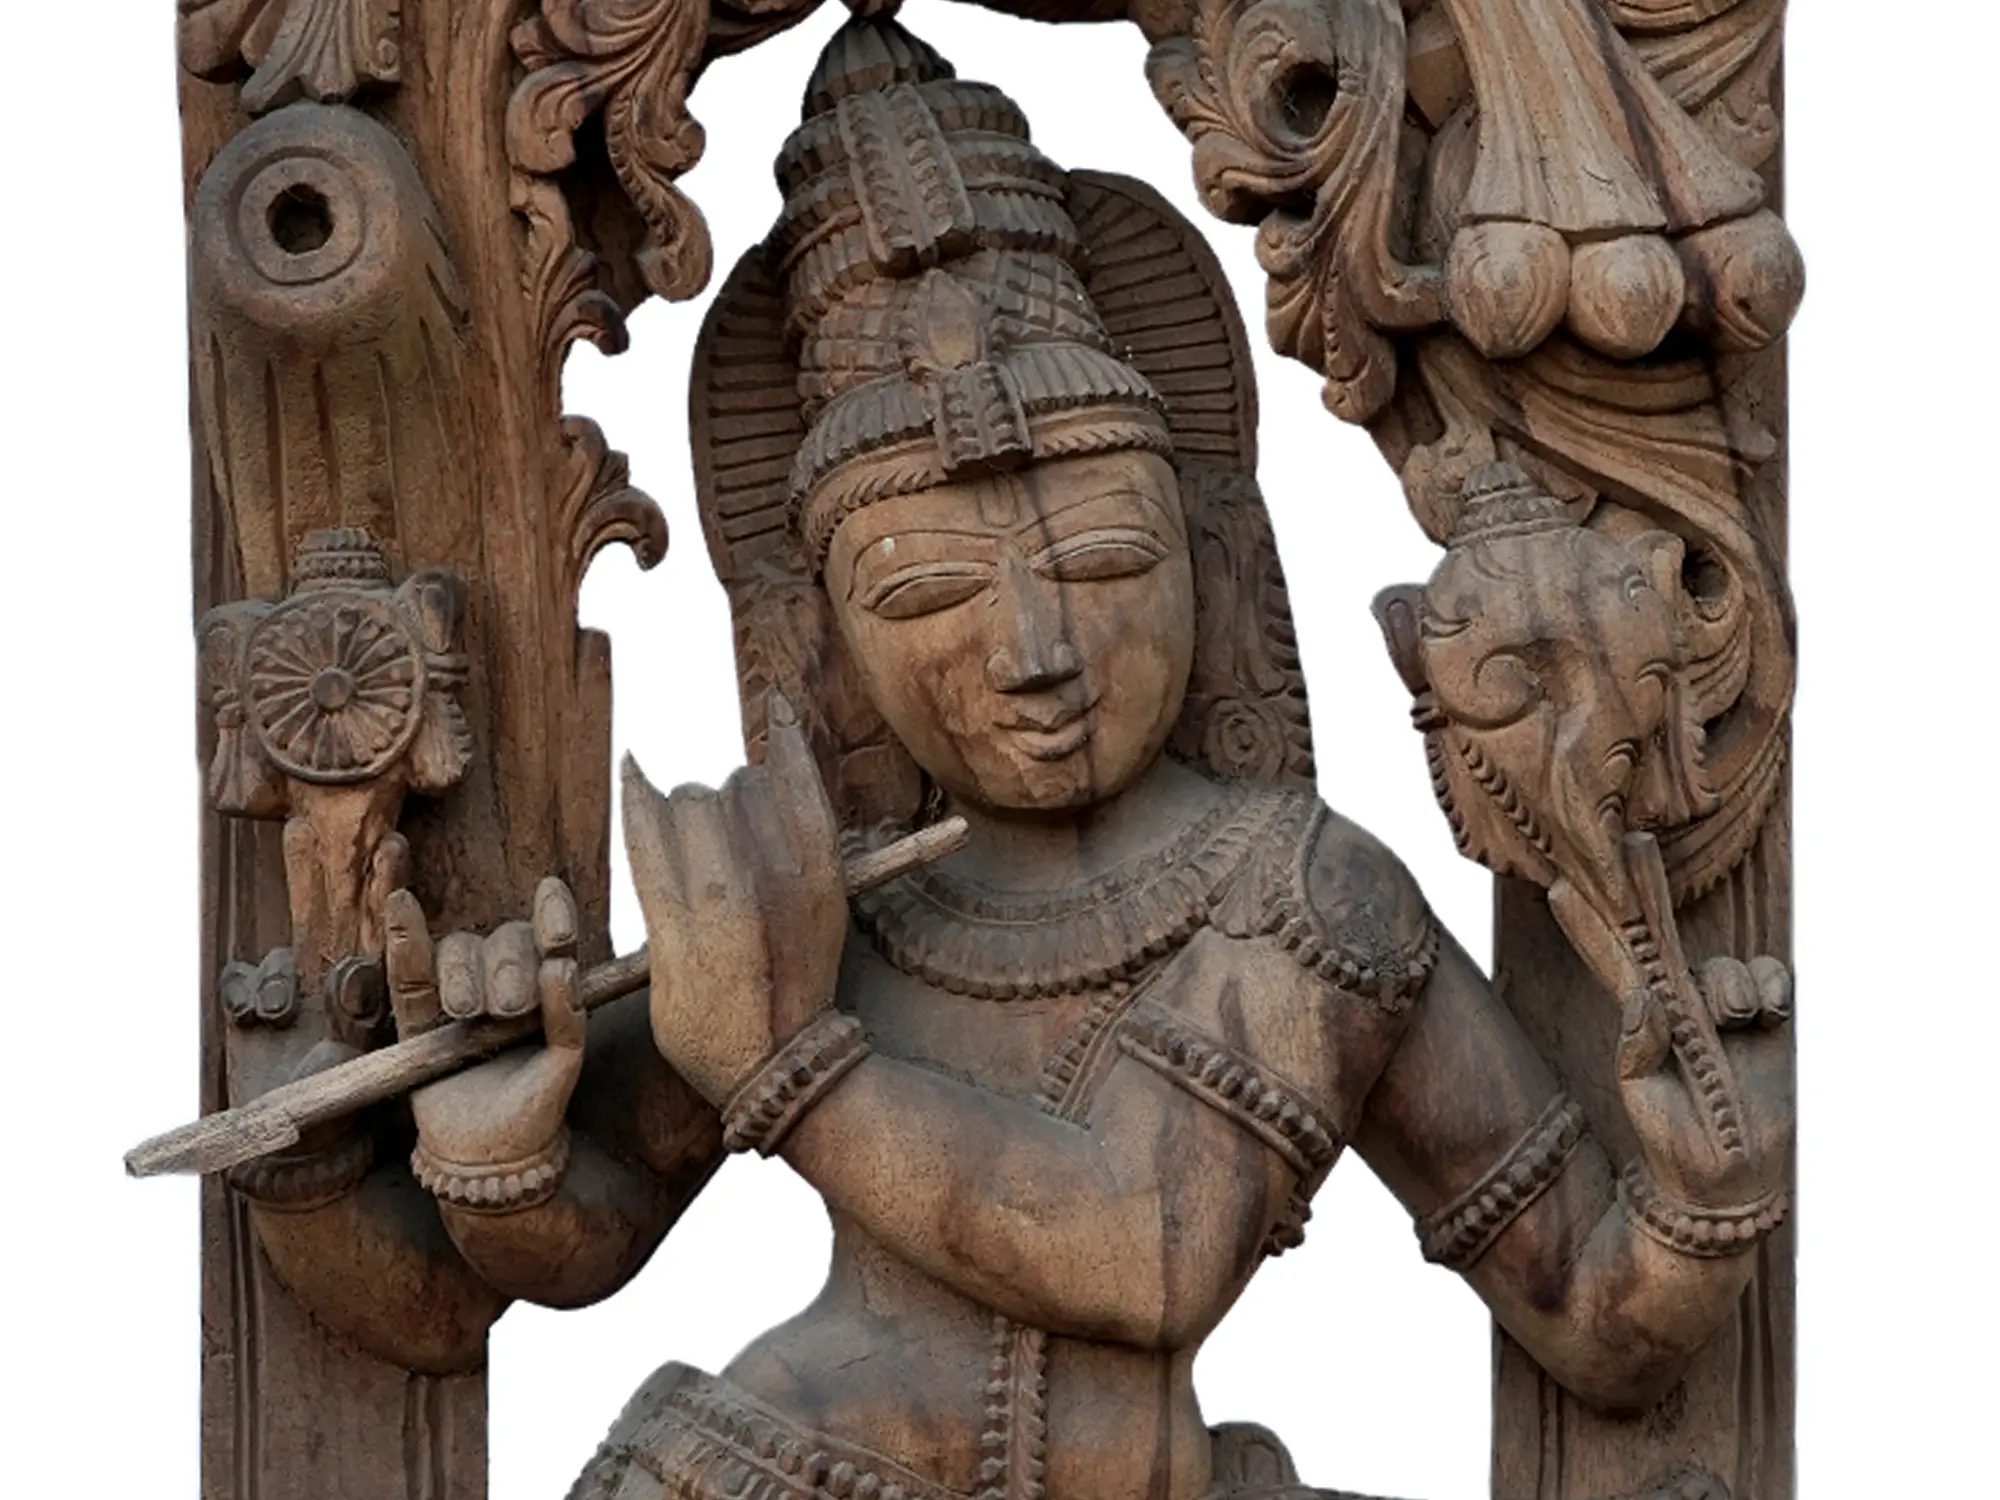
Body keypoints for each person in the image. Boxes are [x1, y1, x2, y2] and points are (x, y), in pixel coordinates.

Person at [231, 17, 1793, 1499]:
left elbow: (1176, 1251)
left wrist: (1703, 1200)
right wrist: (489, 1158)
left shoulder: (1301, 894)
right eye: (928, 596)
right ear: (823, 644)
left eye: (1106, 564)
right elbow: (522, 1271)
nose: (1036, 649)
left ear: (1211, 557)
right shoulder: (836, 907)